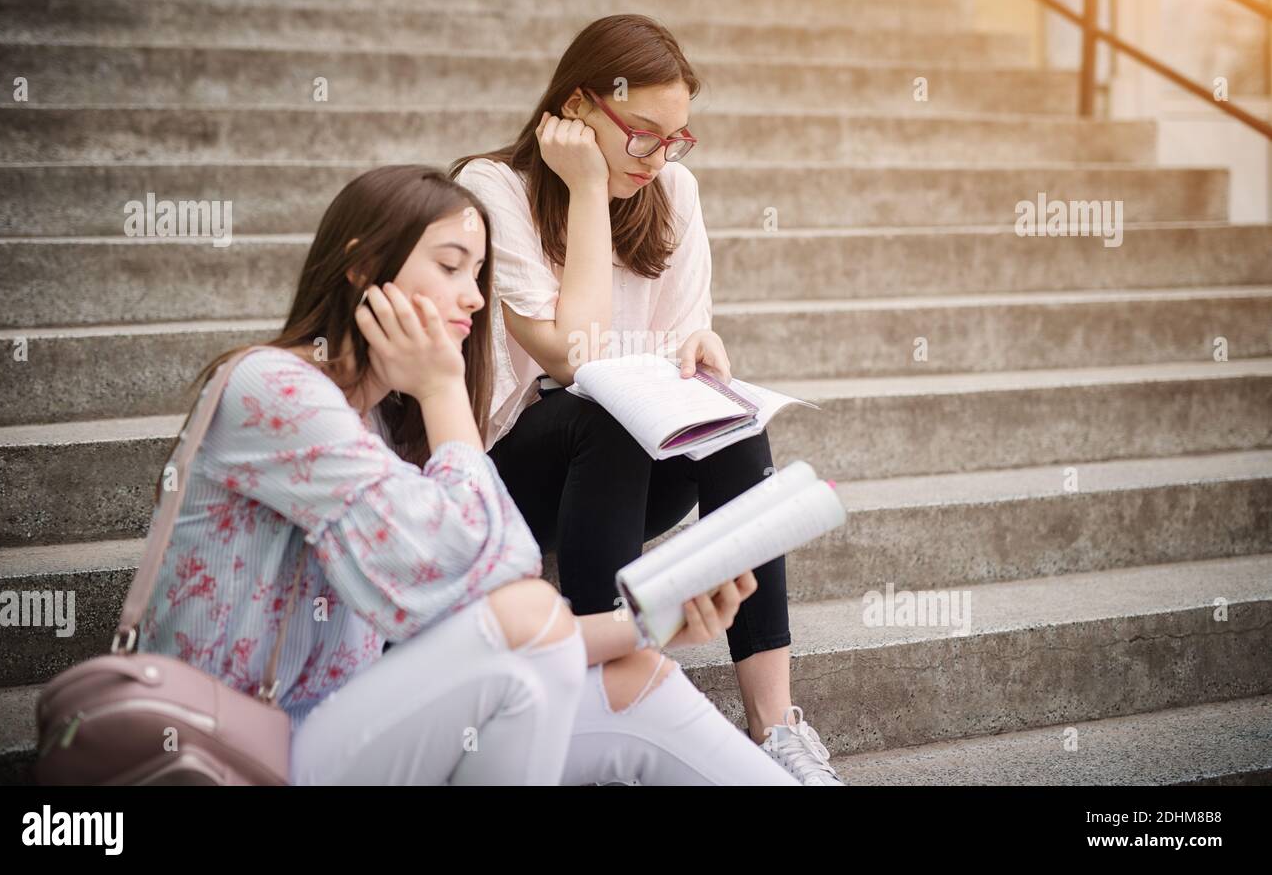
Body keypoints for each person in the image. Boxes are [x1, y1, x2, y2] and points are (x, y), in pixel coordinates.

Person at [138, 164, 801, 784]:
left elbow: (496, 616)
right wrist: (445, 390)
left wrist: (654, 622)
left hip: (361, 725)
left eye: (479, 272)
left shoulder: (386, 425)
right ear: (363, 265)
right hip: (246, 746)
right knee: (525, 643)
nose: (473, 298)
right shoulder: (274, 390)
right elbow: (493, 579)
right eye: (452, 266)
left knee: (634, 678)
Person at [451, 14, 844, 784]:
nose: (660, 157)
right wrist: (589, 188)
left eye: (677, 138)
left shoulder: (674, 190)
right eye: (642, 133)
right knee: (605, 406)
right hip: (516, 478)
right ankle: (611, 691)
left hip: (626, 469)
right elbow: (578, 356)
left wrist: (700, 355)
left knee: (731, 423)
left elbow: (678, 347)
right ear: (577, 105)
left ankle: (776, 725)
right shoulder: (492, 187)